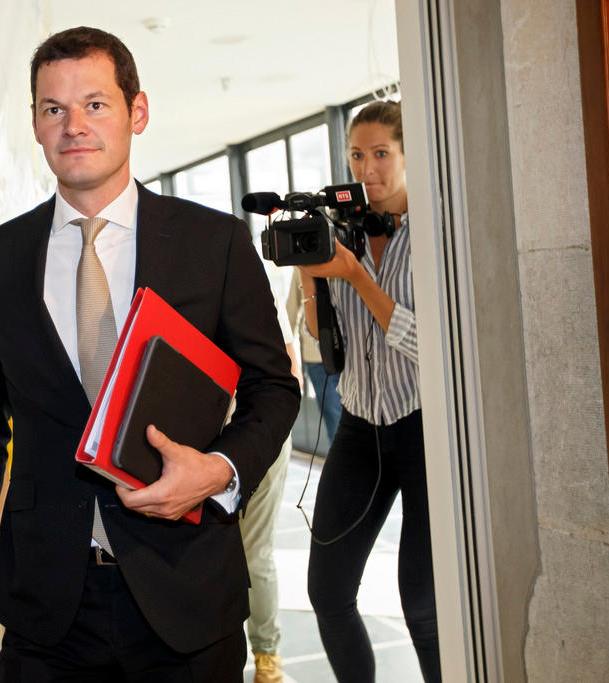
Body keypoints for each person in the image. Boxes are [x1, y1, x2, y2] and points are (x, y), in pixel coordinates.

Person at [0, 26, 300, 682]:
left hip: (187, 593)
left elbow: (274, 388)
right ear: (34, 122)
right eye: (54, 108)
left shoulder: (213, 243)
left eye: (95, 104)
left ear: (137, 112)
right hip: (46, 608)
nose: (73, 125)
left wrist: (220, 470)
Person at [299, 100, 441, 682]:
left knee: (426, 607)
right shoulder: (341, 233)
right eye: (357, 155)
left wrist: (358, 275)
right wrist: (311, 274)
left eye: (382, 153)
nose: (367, 169)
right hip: (360, 423)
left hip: (426, 427)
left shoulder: (433, 233)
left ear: (409, 156)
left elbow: (433, 347)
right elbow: (320, 339)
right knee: (327, 591)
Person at [240, 260, 302, 683]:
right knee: (252, 554)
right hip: (250, 438)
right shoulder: (253, 282)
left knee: (252, 554)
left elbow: (291, 368)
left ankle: (266, 660)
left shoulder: (250, 286)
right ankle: (265, 662)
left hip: (257, 442)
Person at [287, 267, 342, 443]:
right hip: (317, 358)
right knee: (334, 418)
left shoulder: (346, 260)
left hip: (349, 354)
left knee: (355, 417)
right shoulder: (302, 266)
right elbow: (291, 312)